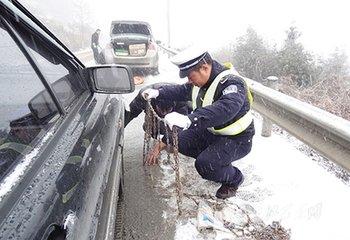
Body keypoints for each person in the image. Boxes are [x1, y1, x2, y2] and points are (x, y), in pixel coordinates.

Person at [142, 46, 255, 199]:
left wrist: (189, 119)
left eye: (190, 76)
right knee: (179, 141)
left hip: (237, 139)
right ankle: (214, 163)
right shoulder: (201, 81)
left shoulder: (231, 83)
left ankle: (234, 179)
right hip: (212, 132)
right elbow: (181, 91)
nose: (189, 80)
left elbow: (226, 108)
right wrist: (159, 92)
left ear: (204, 67)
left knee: (204, 164)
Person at [125, 82, 190, 138]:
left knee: (178, 128)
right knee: (148, 128)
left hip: (179, 105)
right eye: (162, 110)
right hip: (153, 104)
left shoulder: (181, 102)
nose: (164, 113)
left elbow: (184, 126)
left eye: (167, 110)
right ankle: (159, 137)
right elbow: (131, 113)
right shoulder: (144, 97)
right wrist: (120, 126)